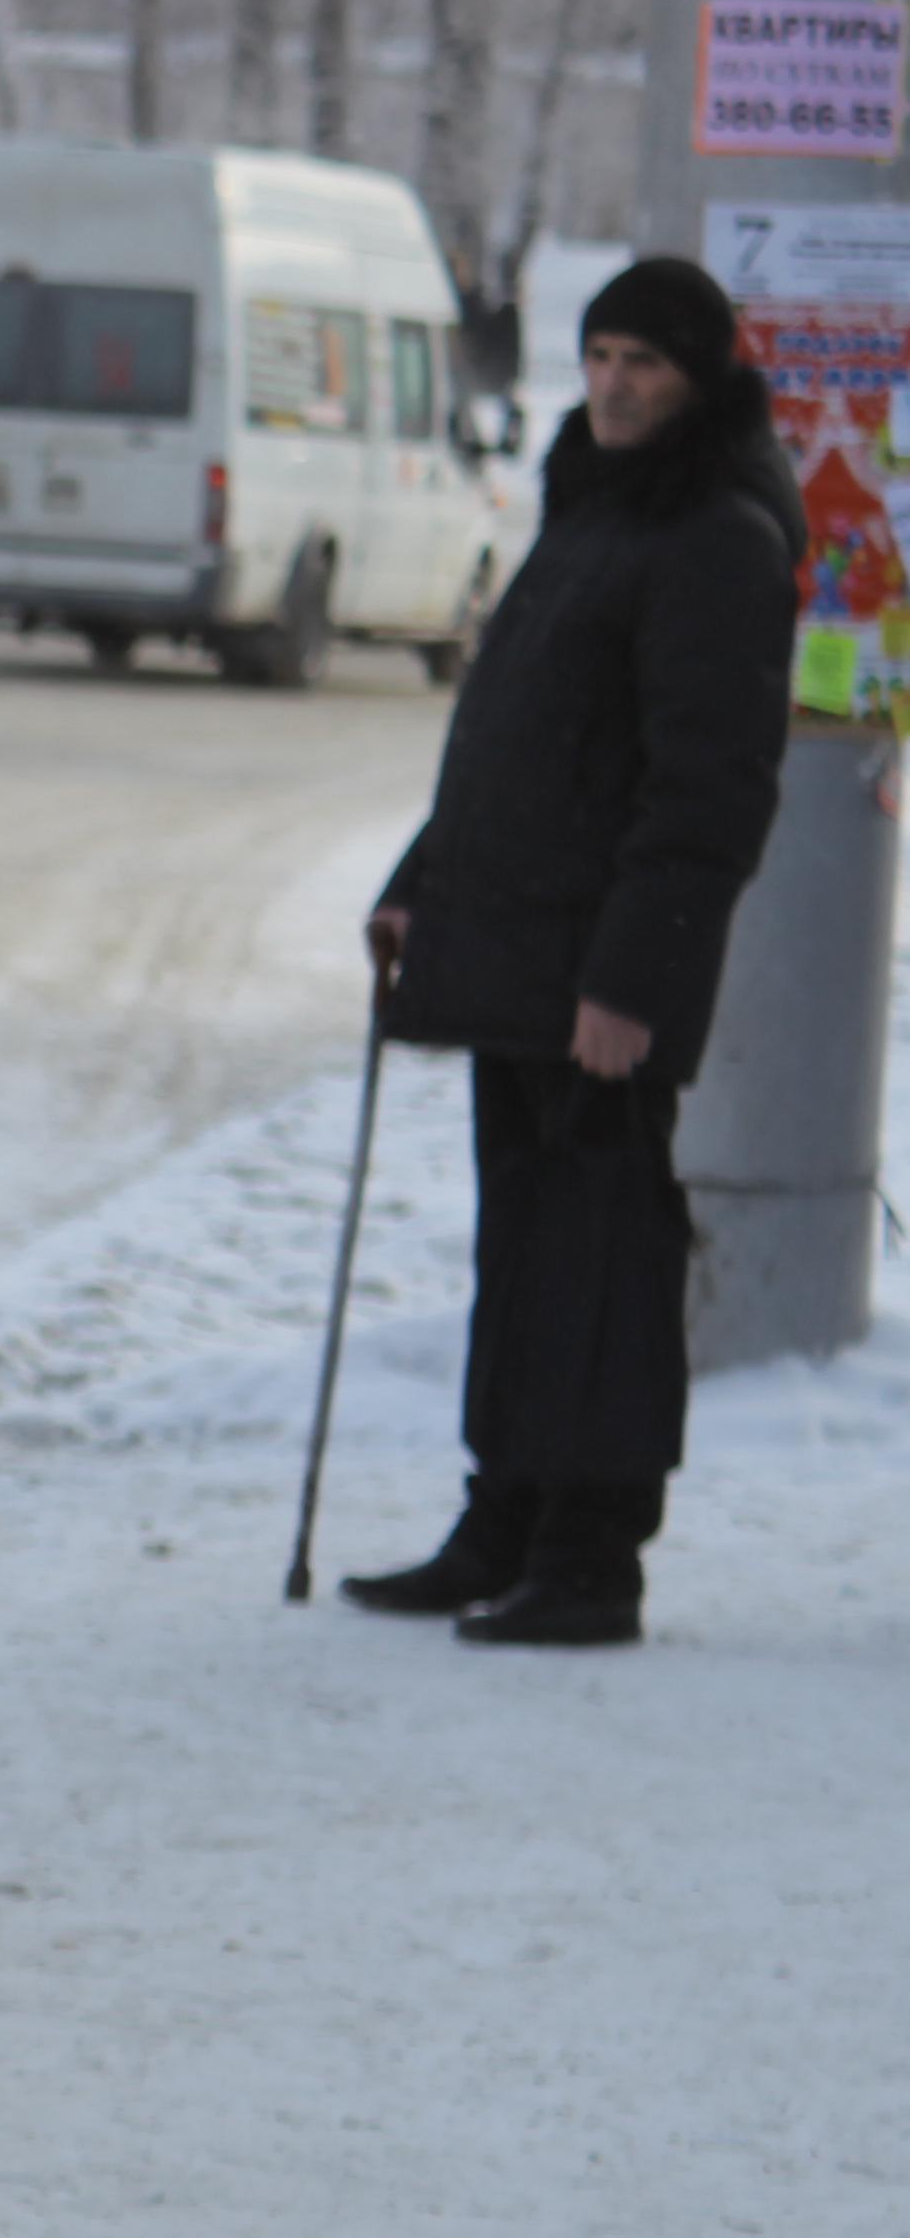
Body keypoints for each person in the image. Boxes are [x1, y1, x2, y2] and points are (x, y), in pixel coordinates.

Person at [349, 255, 799, 1646]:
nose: (610, 385)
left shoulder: (715, 537)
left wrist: (632, 982)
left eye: (642, 364)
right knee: (527, 1245)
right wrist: (416, 884)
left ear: (698, 380)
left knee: (600, 1258)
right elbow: (511, 739)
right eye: (598, 355)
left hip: (599, 975)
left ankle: (591, 1555)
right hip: (515, 951)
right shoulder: (594, 511)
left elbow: (707, 794)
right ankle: (504, 1519)